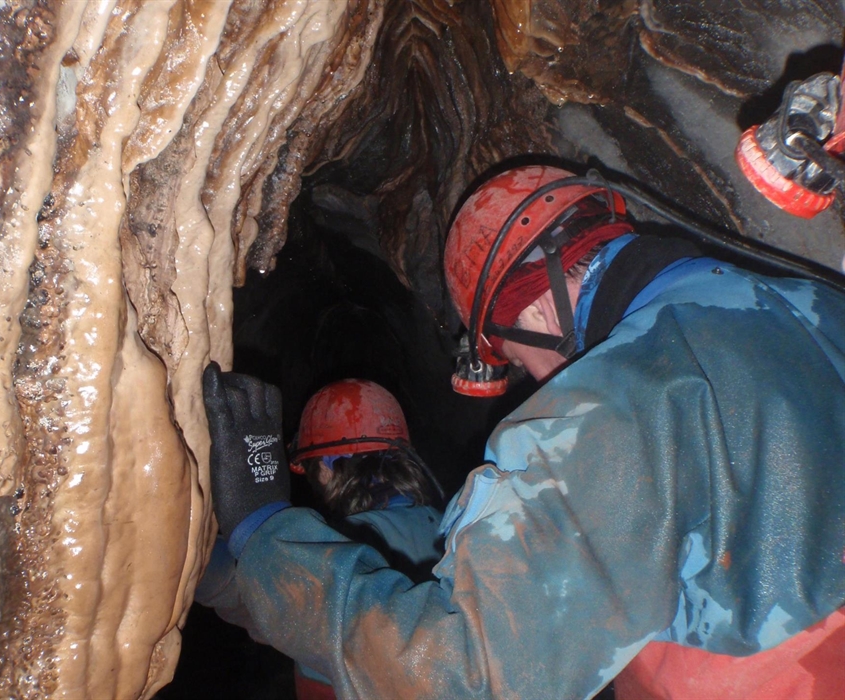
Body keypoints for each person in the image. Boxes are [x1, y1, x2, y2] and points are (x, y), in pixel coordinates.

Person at [202, 163, 845, 699]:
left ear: (538, 307)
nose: (536, 378)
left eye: (512, 356)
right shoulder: (819, 306)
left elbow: (468, 676)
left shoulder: (597, 418)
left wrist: (262, 535)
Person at [196, 378, 443, 700]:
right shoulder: (449, 526)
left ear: (326, 468)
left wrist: (193, 550)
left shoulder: (344, 544)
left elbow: (265, 599)